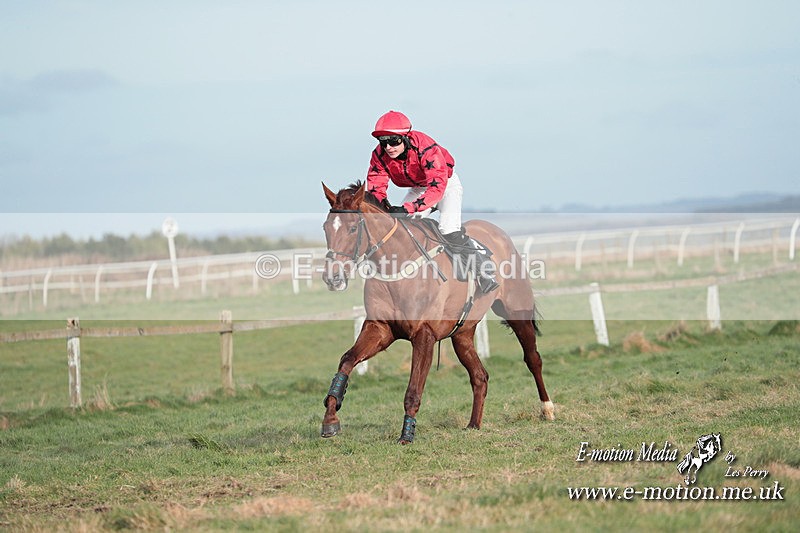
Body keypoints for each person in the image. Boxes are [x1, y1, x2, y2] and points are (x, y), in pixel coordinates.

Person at [366, 110, 499, 293]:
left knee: (449, 230)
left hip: (445, 184)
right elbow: (375, 186)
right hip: (419, 188)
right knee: (399, 227)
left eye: (394, 141)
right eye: (383, 142)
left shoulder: (425, 147)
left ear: (406, 138)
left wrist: (407, 208)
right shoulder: (379, 155)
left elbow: (437, 188)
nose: (388, 147)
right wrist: (383, 209)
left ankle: (484, 271)